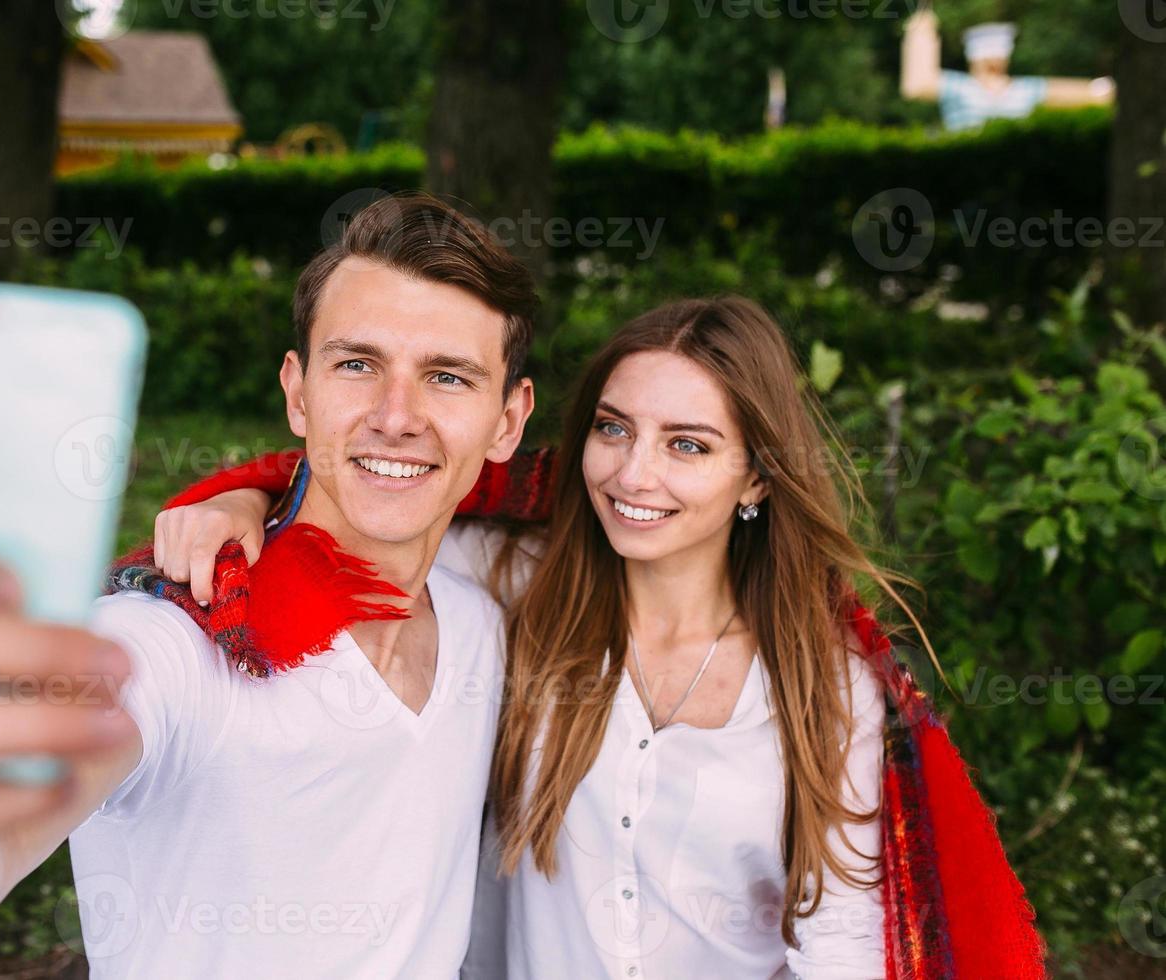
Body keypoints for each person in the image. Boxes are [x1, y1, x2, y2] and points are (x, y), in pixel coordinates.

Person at [0, 192, 537, 977]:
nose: (395, 415)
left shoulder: (481, 612)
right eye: (357, 364)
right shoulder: (174, 635)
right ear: (299, 392)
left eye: (449, 377)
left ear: (508, 421)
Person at [151, 298, 1048, 978]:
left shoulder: (828, 691)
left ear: (758, 480)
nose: (633, 473)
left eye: (688, 445)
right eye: (614, 429)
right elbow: (358, 506)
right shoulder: (511, 588)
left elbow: (844, 943)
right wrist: (242, 501)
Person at [901, 7, 1114, 131]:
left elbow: (1087, 93)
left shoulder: (1024, 89)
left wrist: (1109, 90)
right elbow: (917, 85)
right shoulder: (959, 87)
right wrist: (921, 33)